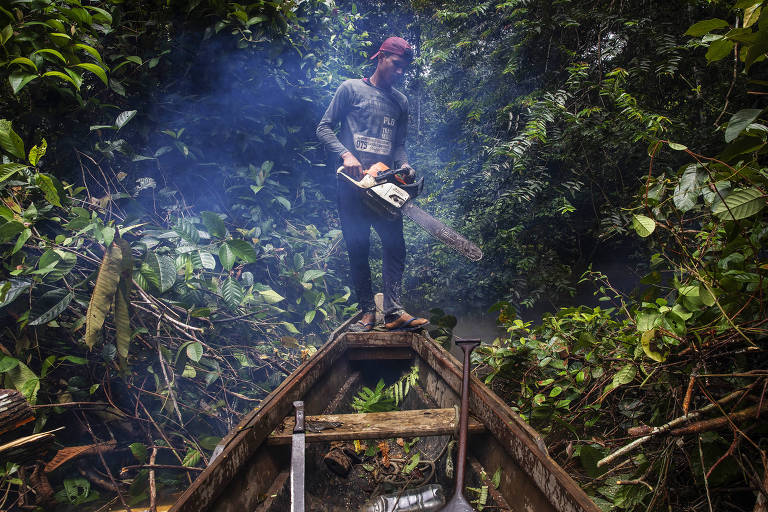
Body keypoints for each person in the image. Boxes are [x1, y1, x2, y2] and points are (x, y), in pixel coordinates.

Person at [316, 36, 429, 332]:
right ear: (381, 58)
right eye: (396, 64)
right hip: (352, 186)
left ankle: (393, 312)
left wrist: (405, 166)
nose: (400, 72)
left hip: (383, 188)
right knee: (358, 248)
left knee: (396, 246)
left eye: (404, 68)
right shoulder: (351, 89)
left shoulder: (401, 102)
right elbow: (323, 128)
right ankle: (367, 312)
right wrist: (346, 154)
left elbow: (399, 146)